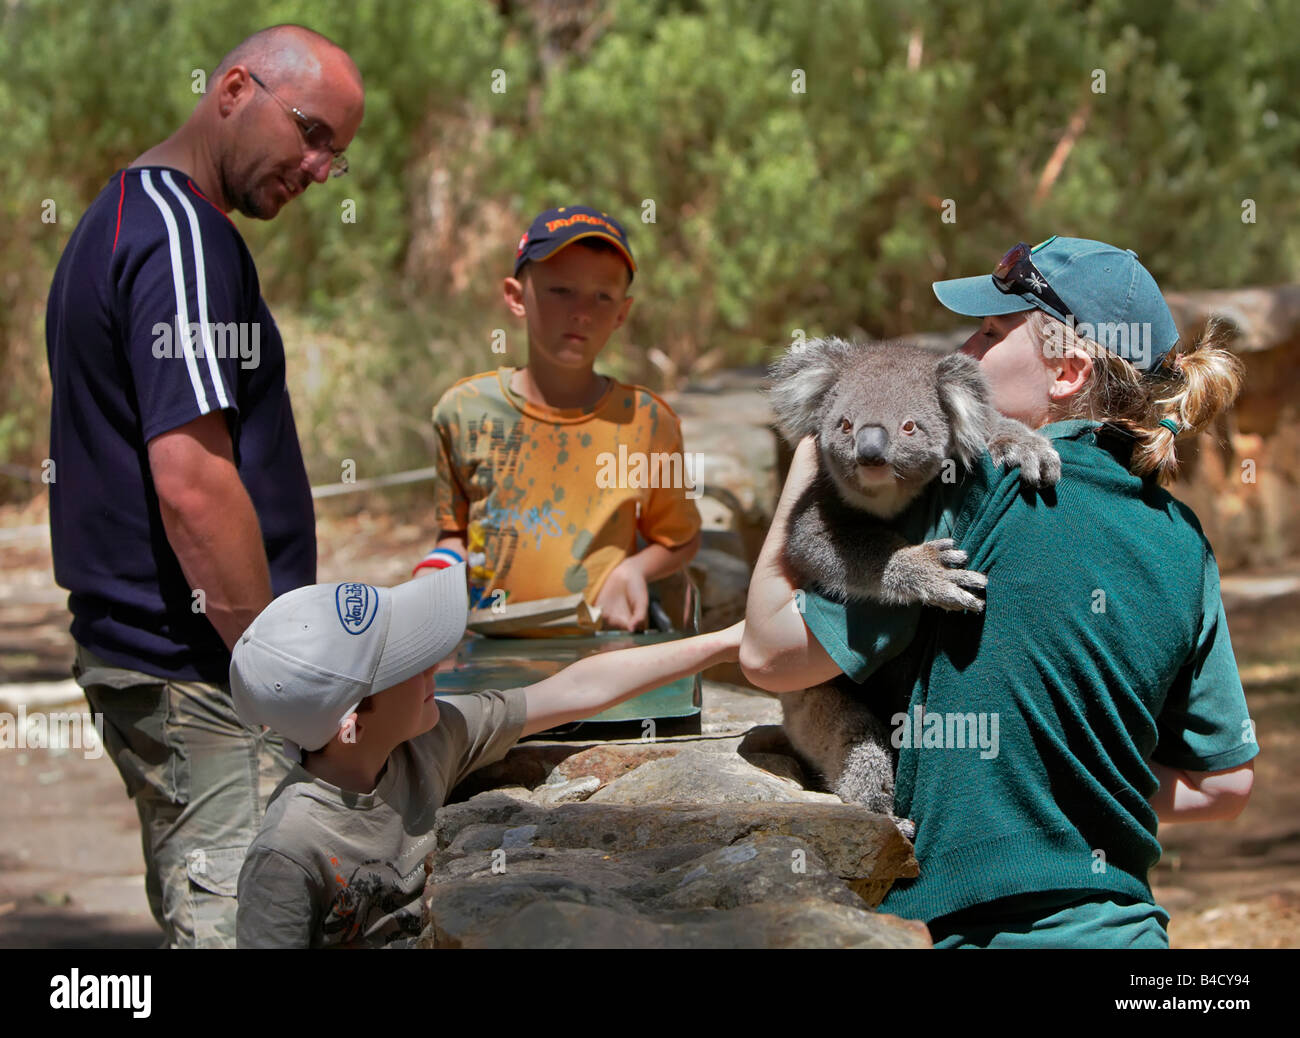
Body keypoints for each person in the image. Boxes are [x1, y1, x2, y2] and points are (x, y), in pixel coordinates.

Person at [739, 236, 1257, 948]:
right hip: (1128, 932)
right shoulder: (1182, 539)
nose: (964, 351)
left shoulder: (963, 495)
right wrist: (1070, 779)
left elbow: (770, 656)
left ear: (1068, 370)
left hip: (964, 929)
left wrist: (813, 446)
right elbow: (1224, 787)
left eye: (989, 332)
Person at [44, 25, 364, 948]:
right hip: (197, 672)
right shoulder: (183, 236)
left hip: (163, 665)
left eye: (334, 155)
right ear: (232, 89)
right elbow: (191, 480)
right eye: (310, 133)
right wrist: (283, 674)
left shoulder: (120, 219)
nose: (315, 168)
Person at [232, 564, 743, 947]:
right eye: (408, 663)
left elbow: (567, 692)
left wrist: (722, 643)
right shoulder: (288, 852)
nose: (436, 663)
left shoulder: (428, 740)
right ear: (350, 724)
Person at [412, 205, 702, 633]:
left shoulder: (650, 422)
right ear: (516, 296)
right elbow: (454, 535)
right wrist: (432, 576)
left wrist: (634, 571)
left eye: (602, 296)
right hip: (485, 654)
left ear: (622, 313)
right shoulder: (462, 411)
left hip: (601, 653)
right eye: (561, 290)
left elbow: (680, 538)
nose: (582, 311)